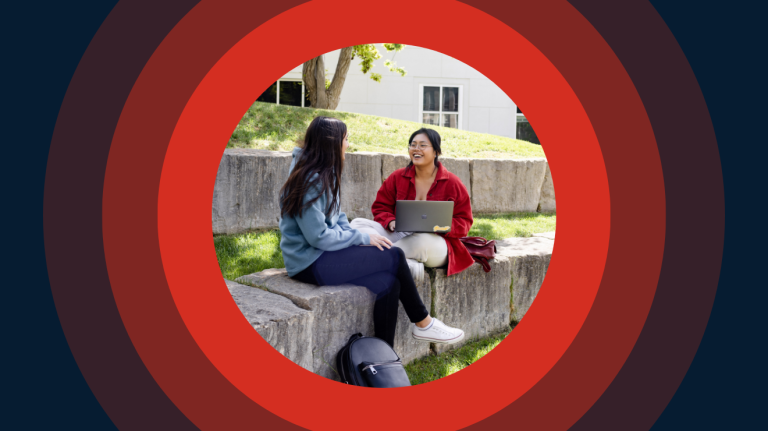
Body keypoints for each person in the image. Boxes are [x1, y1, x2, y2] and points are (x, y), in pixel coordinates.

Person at [278, 116, 464, 347]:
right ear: (331, 142)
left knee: (389, 281)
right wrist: (362, 237)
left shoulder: (323, 172)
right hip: (308, 263)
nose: (348, 144)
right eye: (345, 139)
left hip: (321, 256)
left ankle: (383, 354)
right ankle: (424, 323)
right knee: (394, 255)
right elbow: (318, 236)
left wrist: (356, 242)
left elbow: (339, 219)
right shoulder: (310, 179)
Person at [350, 128, 475, 277]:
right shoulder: (397, 177)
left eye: (423, 145)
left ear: (436, 151)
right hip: (400, 233)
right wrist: (391, 222)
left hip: (434, 241)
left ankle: (379, 258)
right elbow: (380, 207)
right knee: (357, 224)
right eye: (413, 144)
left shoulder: (453, 183)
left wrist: (439, 226)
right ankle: (405, 262)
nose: (416, 149)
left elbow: (465, 222)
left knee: (421, 242)